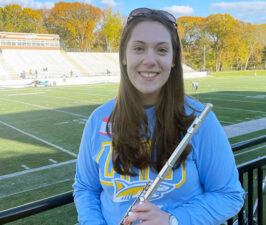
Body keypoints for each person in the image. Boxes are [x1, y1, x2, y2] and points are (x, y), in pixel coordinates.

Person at [73, 8, 244, 225]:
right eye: (138, 48)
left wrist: (174, 220)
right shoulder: (98, 119)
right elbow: (86, 188)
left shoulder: (200, 120)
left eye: (162, 50)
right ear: (124, 56)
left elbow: (229, 195)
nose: (149, 60)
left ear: (173, 60)